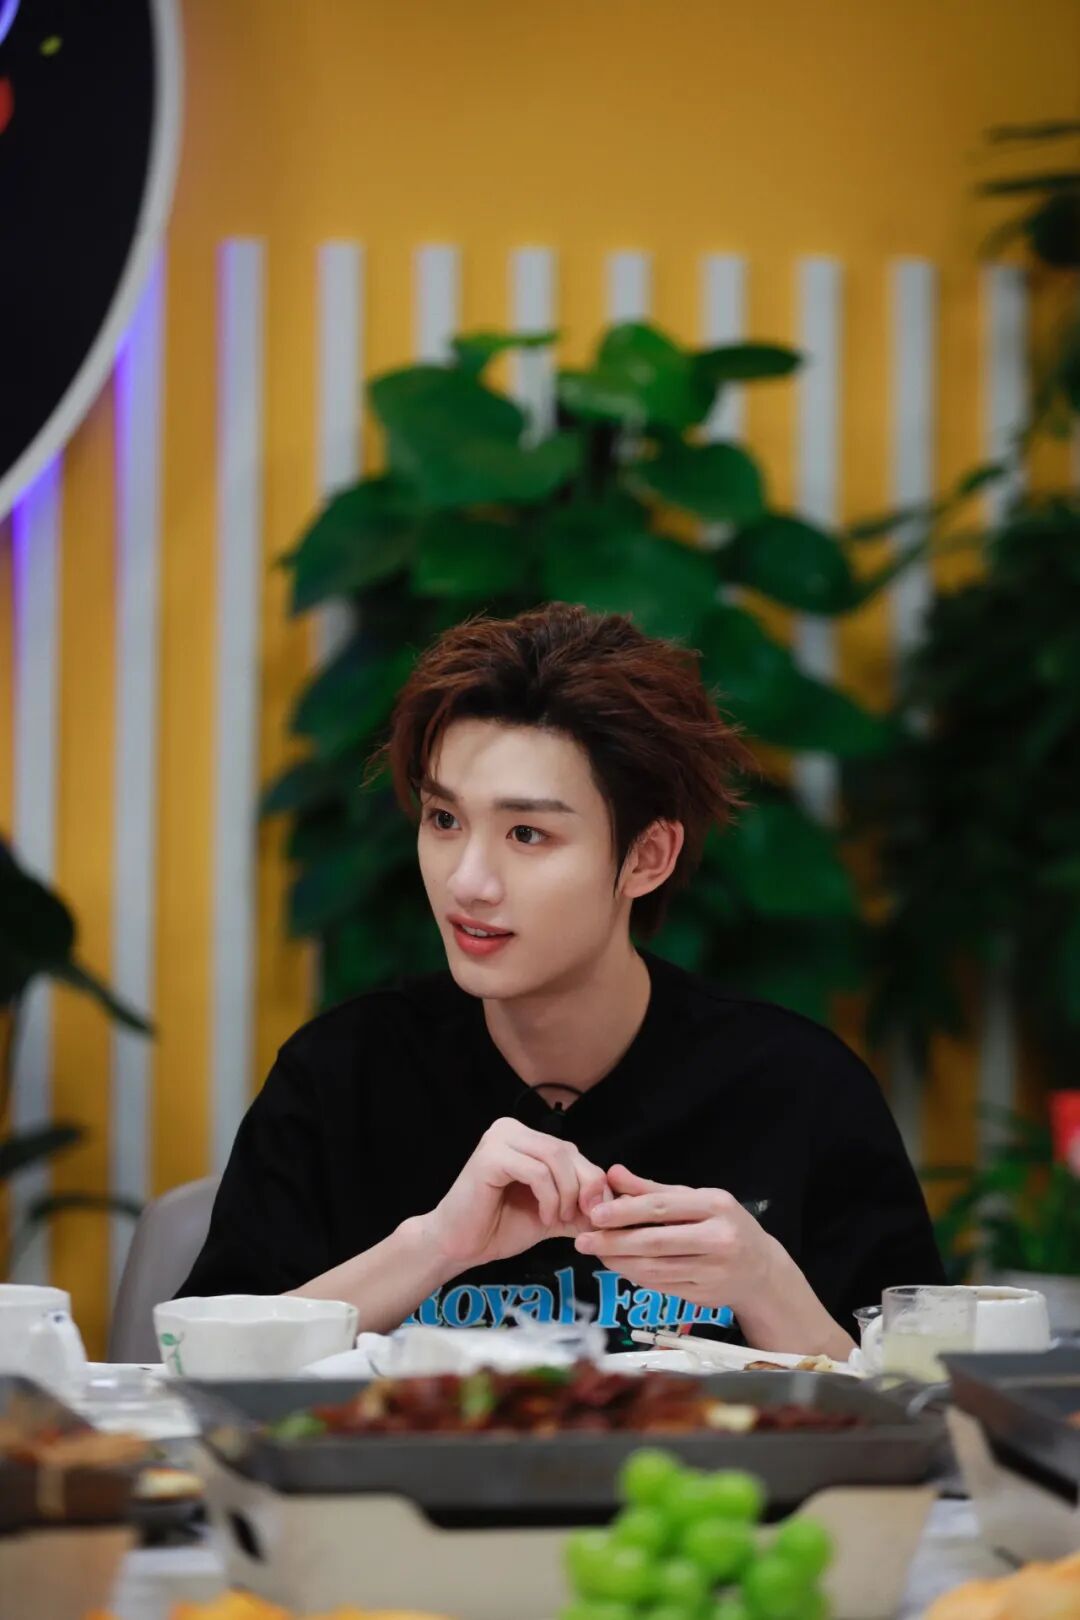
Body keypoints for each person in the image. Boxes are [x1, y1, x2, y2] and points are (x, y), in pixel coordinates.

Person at [180, 602, 943, 1354]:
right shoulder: (341, 1076)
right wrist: (433, 1246)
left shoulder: (798, 1090)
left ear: (647, 857)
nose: (467, 881)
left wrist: (765, 1282)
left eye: (527, 833)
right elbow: (197, 1370)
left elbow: (919, 1403)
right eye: (444, 820)